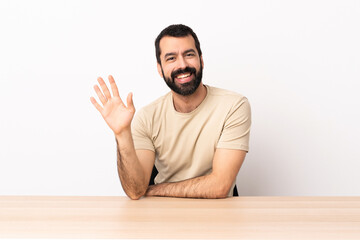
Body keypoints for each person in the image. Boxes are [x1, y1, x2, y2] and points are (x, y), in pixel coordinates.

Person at [90, 24, 251, 200]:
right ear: (160, 69)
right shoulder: (147, 117)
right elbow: (135, 190)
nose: (182, 65)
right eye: (171, 58)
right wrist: (122, 134)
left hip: (218, 216)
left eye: (189, 55)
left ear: (201, 60)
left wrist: (155, 190)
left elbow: (220, 186)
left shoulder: (233, 106)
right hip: (162, 215)